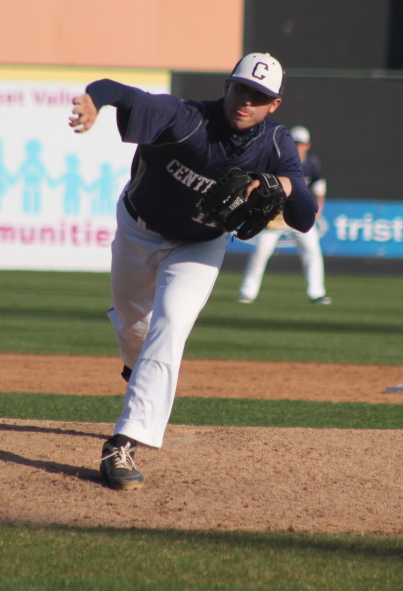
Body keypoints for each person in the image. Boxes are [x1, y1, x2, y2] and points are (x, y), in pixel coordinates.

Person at [68, 52, 316, 490]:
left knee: (171, 325)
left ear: (274, 105)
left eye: (260, 96)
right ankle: (136, 368)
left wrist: (284, 183)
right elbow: (119, 91)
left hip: (200, 245)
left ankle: (123, 444)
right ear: (227, 85)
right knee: (133, 326)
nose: (247, 101)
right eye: (242, 88)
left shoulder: (275, 145)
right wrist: (93, 99)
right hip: (138, 229)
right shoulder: (185, 119)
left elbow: (305, 218)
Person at [238, 125, 331, 305]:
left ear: (308, 145)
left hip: (298, 213)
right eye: (295, 142)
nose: (298, 146)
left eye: (301, 143)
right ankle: (247, 292)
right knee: (261, 252)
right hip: (274, 215)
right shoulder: (280, 160)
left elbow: (319, 186)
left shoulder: (311, 164)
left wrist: (319, 208)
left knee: (312, 251)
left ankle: (316, 292)